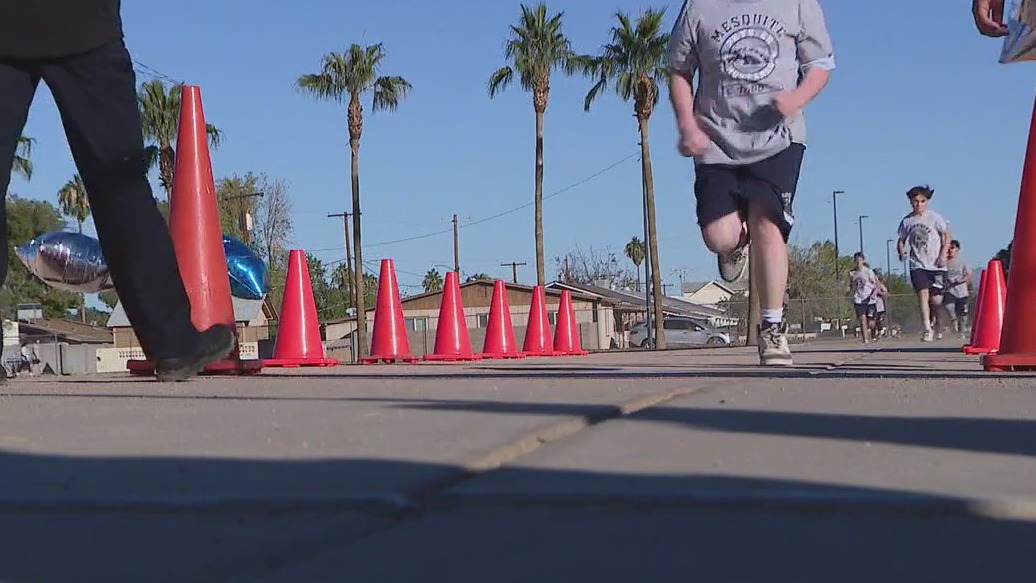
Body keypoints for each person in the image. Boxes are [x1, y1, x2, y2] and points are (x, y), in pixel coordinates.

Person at [0, 1, 234, 382]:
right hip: (83, 24)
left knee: (121, 185)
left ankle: (173, 340)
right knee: (120, 187)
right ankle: (172, 341)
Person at [667, 0, 835, 366]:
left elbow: (821, 64)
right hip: (716, 141)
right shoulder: (699, 7)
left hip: (778, 138)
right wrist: (686, 124)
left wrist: (797, 98)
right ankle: (735, 245)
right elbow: (679, 70)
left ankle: (772, 329)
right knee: (719, 236)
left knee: (767, 224)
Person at [897, 185, 952, 342]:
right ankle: (927, 328)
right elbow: (901, 240)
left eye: (922, 201)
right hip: (918, 264)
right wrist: (902, 251)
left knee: (936, 299)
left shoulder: (935, 218)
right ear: (910, 202)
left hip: (936, 264)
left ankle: (937, 322)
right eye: (915, 201)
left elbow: (947, 235)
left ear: (927, 201)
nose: (918, 204)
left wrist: (943, 254)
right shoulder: (907, 221)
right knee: (922, 295)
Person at [943, 239, 973, 337]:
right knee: (949, 306)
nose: (950, 250)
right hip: (949, 290)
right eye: (948, 248)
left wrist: (960, 280)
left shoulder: (963, 261)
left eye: (952, 248)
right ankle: (953, 319)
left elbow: (968, 275)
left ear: (957, 249)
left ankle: (961, 331)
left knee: (963, 312)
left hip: (961, 291)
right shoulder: (944, 261)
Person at [848, 252, 879, 344]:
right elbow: (851, 285)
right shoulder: (852, 273)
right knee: (862, 320)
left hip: (870, 299)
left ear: (863, 261)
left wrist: (874, 293)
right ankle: (865, 339)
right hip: (858, 299)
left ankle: (874, 330)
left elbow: (876, 284)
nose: (858, 262)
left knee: (871, 323)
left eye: (860, 260)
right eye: (856, 260)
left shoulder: (868, 272)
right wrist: (848, 291)